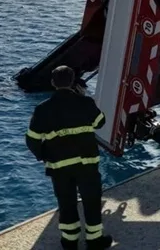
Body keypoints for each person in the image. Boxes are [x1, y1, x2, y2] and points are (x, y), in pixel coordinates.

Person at [26, 66, 113, 250]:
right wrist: (84, 98)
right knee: (91, 200)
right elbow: (100, 122)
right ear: (73, 82)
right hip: (87, 164)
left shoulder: (42, 109)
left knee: (66, 202)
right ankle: (94, 240)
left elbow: (32, 140)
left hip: (60, 166)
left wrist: (44, 155)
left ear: (52, 83)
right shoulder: (85, 102)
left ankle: (69, 241)